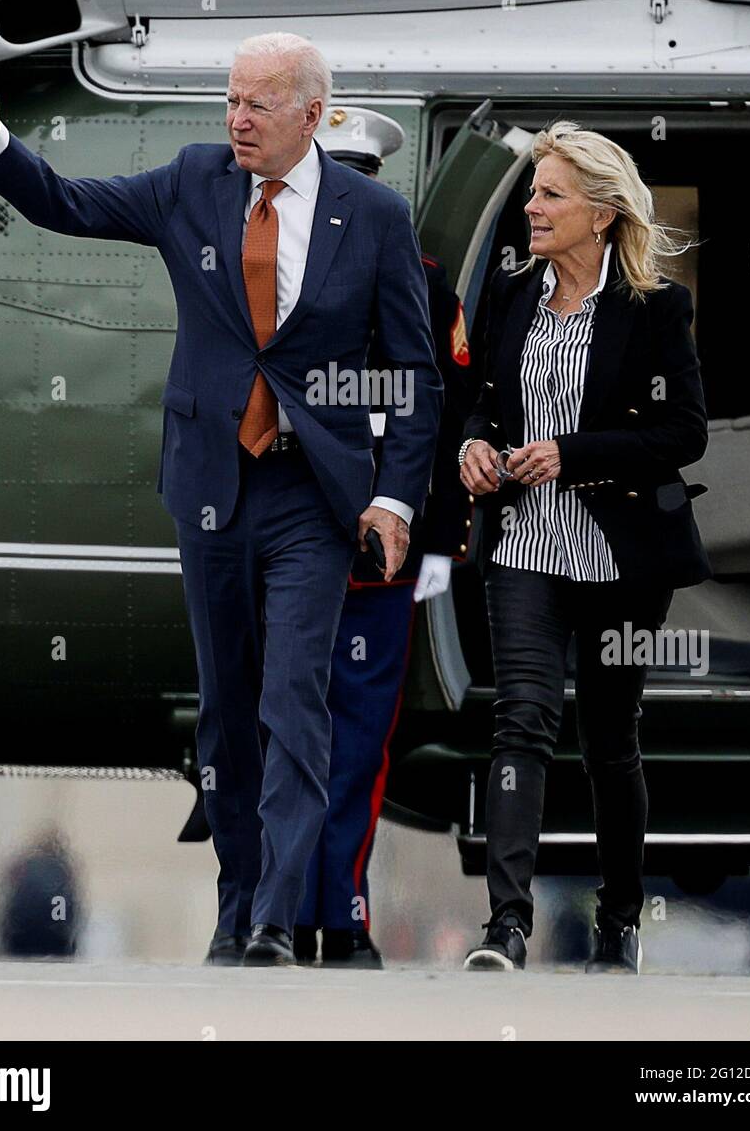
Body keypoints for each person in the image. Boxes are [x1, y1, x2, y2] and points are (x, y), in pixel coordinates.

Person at [0, 33, 442, 968]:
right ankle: (236, 899)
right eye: (231, 100)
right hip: (211, 486)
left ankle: (275, 924)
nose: (237, 118)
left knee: (296, 703)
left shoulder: (371, 215)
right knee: (226, 710)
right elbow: (71, 205)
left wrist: (394, 505)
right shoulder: (191, 181)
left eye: (257, 104)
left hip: (310, 497)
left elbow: (413, 377)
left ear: (308, 114)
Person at [458, 120, 711, 975]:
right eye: (533, 192)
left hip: (620, 554)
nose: (530, 206)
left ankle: (619, 920)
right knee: (520, 721)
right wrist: (474, 446)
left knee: (610, 736)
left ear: (600, 214)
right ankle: (506, 926)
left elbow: (683, 433)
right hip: (525, 542)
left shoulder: (655, 308)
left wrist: (572, 451)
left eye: (549, 194)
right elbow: (481, 402)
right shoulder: (509, 293)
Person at [293, 107, 473, 967]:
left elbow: (440, 414)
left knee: (358, 744)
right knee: (292, 736)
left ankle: (339, 911)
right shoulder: (278, 265)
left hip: (379, 553)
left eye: (364, 183)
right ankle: (284, 911)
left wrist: (437, 536)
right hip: (296, 540)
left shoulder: (426, 279)